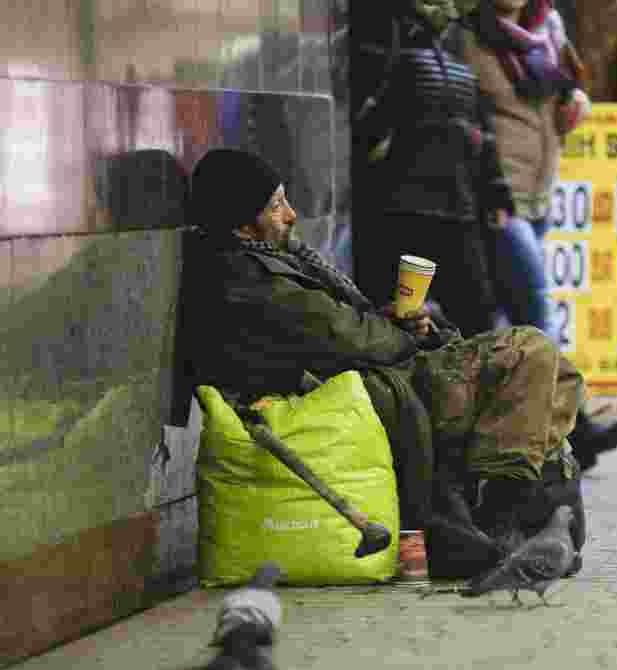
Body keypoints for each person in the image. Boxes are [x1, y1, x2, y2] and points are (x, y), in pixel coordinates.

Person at [182, 148, 587, 578]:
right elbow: (346, 335)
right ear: (244, 225)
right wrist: (410, 336)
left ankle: (492, 499)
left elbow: (352, 328)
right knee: (533, 352)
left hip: (382, 375)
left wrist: (418, 330)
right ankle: (498, 505)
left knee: (557, 380)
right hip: (373, 388)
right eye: (277, 205)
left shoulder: (268, 263)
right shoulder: (251, 280)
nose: (291, 214)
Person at [457, 0, 617, 471]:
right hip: (501, 196)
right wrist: (487, 192)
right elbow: (468, 119)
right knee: (536, 310)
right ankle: (575, 426)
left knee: (508, 319)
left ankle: (532, 436)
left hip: (540, 188)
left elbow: (568, 80)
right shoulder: (470, 36)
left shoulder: (549, 27)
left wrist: (575, 96)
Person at [350, 0, 512, 338]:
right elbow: (368, 125)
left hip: (458, 207)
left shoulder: (459, 47)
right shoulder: (384, 42)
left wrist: (496, 192)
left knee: (476, 316)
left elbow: (481, 132)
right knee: (395, 315)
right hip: (401, 210)